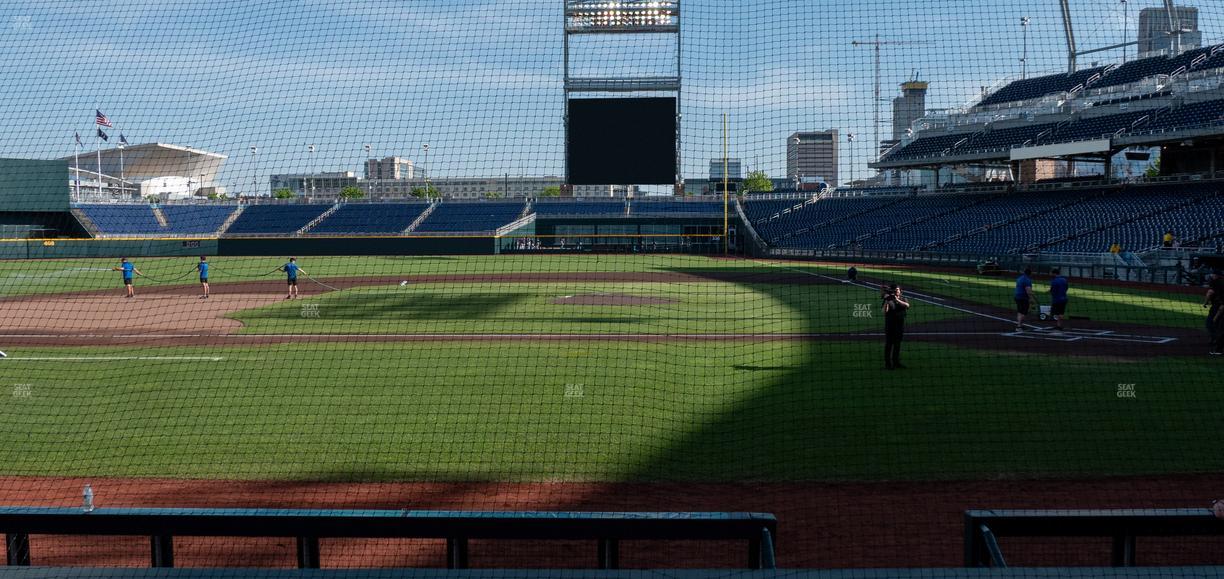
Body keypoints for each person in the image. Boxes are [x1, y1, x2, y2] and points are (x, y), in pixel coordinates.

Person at [882, 283, 910, 370]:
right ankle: (888, 364)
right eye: (895, 290)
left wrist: (897, 300)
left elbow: (907, 305)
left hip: (899, 326)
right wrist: (887, 300)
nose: (896, 291)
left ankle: (896, 362)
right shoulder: (888, 299)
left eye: (897, 290)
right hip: (890, 326)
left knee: (897, 345)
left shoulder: (903, 298)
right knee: (889, 345)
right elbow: (884, 311)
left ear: (900, 291)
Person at [1205, 272, 1224, 356]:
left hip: (1218, 308)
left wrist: (1215, 318)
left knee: (1212, 324)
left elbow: (1222, 307)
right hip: (1217, 307)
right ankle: (1215, 340)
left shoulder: (1218, 286)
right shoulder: (1218, 285)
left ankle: (1216, 342)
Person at [1014, 267, 1036, 332]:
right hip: (1023, 298)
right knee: (1024, 312)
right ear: (1030, 273)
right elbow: (1028, 291)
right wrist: (1032, 299)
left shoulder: (1019, 278)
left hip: (1017, 297)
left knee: (1020, 311)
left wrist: (1032, 294)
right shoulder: (1027, 280)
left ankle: (1019, 325)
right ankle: (1019, 326)